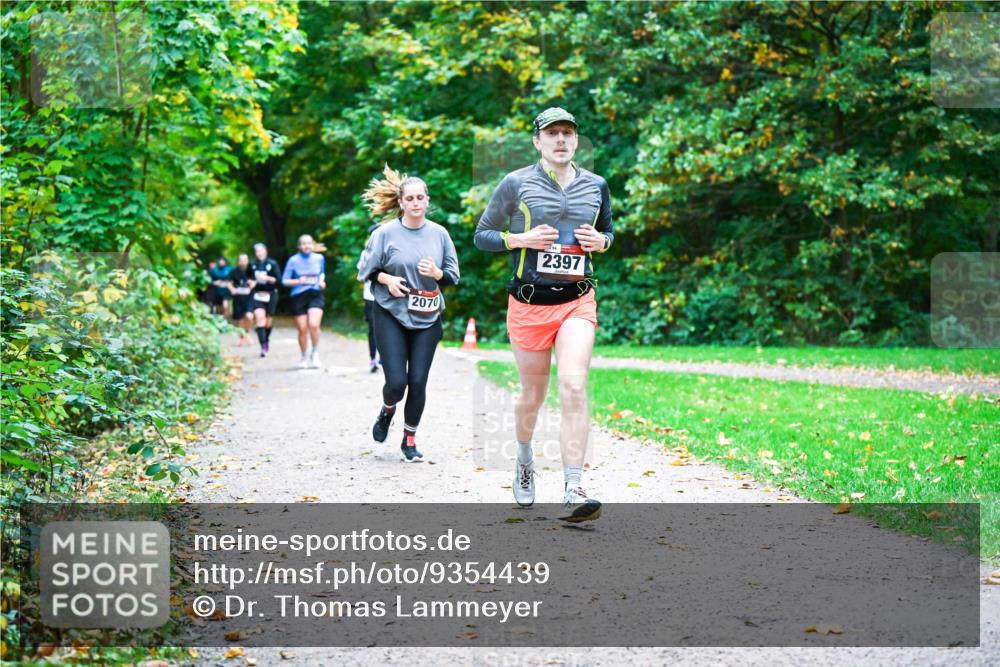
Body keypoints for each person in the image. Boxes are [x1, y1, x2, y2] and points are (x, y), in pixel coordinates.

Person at [474, 107, 613, 523]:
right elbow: (483, 236)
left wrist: (601, 243)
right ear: (537, 141)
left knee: (573, 386)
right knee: (532, 397)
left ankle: (573, 487)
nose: (560, 140)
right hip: (530, 303)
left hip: (577, 300)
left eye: (567, 133)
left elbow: (607, 232)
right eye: (552, 133)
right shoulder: (515, 183)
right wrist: (520, 238)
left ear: (576, 141)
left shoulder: (596, 185)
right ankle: (523, 457)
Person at [357, 165, 460, 463]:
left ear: (427, 200)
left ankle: (409, 440)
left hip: (427, 317)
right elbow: (365, 270)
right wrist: (386, 280)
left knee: (417, 381)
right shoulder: (385, 233)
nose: (415, 203)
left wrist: (437, 272)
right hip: (390, 313)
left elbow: (453, 276)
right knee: (396, 383)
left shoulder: (440, 234)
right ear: (401, 203)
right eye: (410, 199)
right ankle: (387, 409)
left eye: (420, 198)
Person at [282, 235, 326, 369]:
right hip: (298, 295)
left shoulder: (319, 258)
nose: (306, 246)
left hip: (315, 294)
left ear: (312, 245)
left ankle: (315, 353)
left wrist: (322, 282)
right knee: (302, 329)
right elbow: (284, 280)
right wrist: (297, 281)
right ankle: (303, 356)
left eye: (308, 243)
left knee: (313, 325)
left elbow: (321, 273)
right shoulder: (293, 260)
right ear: (299, 246)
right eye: (303, 244)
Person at [250, 243, 282, 357]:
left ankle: (266, 340)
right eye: (257, 251)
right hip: (257, 295)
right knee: (260, 319)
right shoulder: (252, 265)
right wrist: (251, 283)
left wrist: (267, 278)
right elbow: (247, 278)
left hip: (271, 294)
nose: (259, 253)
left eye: (261, 251)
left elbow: (279, 281)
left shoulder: (272, 264)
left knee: (268, 322)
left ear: (265, 251)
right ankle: (263, 346)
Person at [363, 223, 381, 373]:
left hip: (390, 298)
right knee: (373, 328)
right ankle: (373, 358)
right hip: (370, 297)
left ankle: (385, 357)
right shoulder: (366, 253)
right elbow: (362, 275)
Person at [227, 254, 255, 345]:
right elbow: (228, 283)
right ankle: (241, 337)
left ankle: (248, 333)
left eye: (245, 260)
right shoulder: (234, 271)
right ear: (238, 261)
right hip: (238, 297)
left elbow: (255, 281)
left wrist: (252, 284)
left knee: (249, 316)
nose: (243, 262)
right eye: (241, 260)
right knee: (240, 319)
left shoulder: (251, 270)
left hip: (249, 297)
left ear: (247, 260)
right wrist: (232, 289)